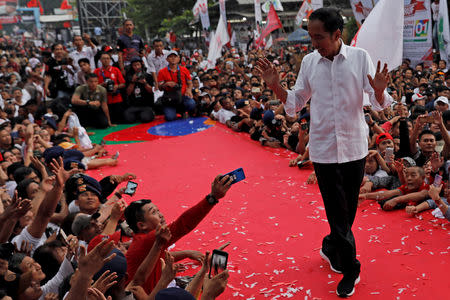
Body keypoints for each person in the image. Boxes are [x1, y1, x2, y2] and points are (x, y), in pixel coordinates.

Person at [256, 7, 393, 297]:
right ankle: (350, 267)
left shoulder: (360, 58)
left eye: (319, 37)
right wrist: (275, 85)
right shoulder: (309, 62)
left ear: (336, 34)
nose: (314, 43)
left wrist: (379, 90)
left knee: (348, 211)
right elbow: (294, 104)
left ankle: (331, 245)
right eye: (311, 37)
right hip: (324, 150)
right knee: (336, 210)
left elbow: (379, 103)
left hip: (355, 146)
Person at [123, 174, 233, 294]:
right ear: (141, 225)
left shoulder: (144, 241)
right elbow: (182, 225)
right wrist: (212, 198)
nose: (160, 214)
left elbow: (159, 256)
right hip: (155, 294)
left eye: (158, 210)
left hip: (159, 288)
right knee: (211, 287)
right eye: (154, 212)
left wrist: (187, 253)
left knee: (204, 280)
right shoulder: (147, 240)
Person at [157, 51, 196, 121]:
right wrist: (166, 84)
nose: (173, 58)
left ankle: (182, 111)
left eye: (175, 57)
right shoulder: (162, 72)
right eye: (170, 57)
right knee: (170, 118)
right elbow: (159, 88)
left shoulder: (184, 70)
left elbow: (190, 83)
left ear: (178, 59)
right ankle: (173, 111)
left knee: (192, 104)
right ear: (167, 59)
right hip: (170, 99)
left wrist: (189, 90)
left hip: (182, 96)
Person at [94, 52, 125, 124]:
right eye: (104, 59)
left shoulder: (116, 70)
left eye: (108, 58)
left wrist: (116, 86)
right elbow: (93, 86)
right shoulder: (97, 71)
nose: (106, 60)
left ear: (110, 60)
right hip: (103, 101)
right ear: (100, 60)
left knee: (120, 121)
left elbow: (123, 84)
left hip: (116, 99)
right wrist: (102, 85)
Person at [124, 57, 155, 123]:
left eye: (138, 64)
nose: (137, 67)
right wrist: (133, 81)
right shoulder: (129, 77)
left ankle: (148, 113)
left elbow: (151, 91)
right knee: (128, 118)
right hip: (134, 105)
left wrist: (145, 83)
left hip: (146, 105)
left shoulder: (148, 76)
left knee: (145, 118)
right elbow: (128, 93)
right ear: (132, 67)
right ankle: (138, 115)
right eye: (134, 65)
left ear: (141, 65)